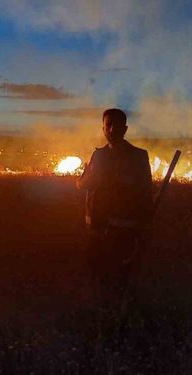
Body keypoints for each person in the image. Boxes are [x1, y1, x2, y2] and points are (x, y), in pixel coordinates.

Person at [76, 108, 153, 308]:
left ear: (125, 128)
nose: (110, 129)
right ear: (103, 127)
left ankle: (118, 315)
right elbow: (85, 184)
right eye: (107, 125)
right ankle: (102, 313)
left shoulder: (137, 157)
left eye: (115, 125)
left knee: (119, 277)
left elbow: (145, 193)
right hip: (97, 229)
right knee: (98, 275)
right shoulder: (99, 155)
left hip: (123, 231)